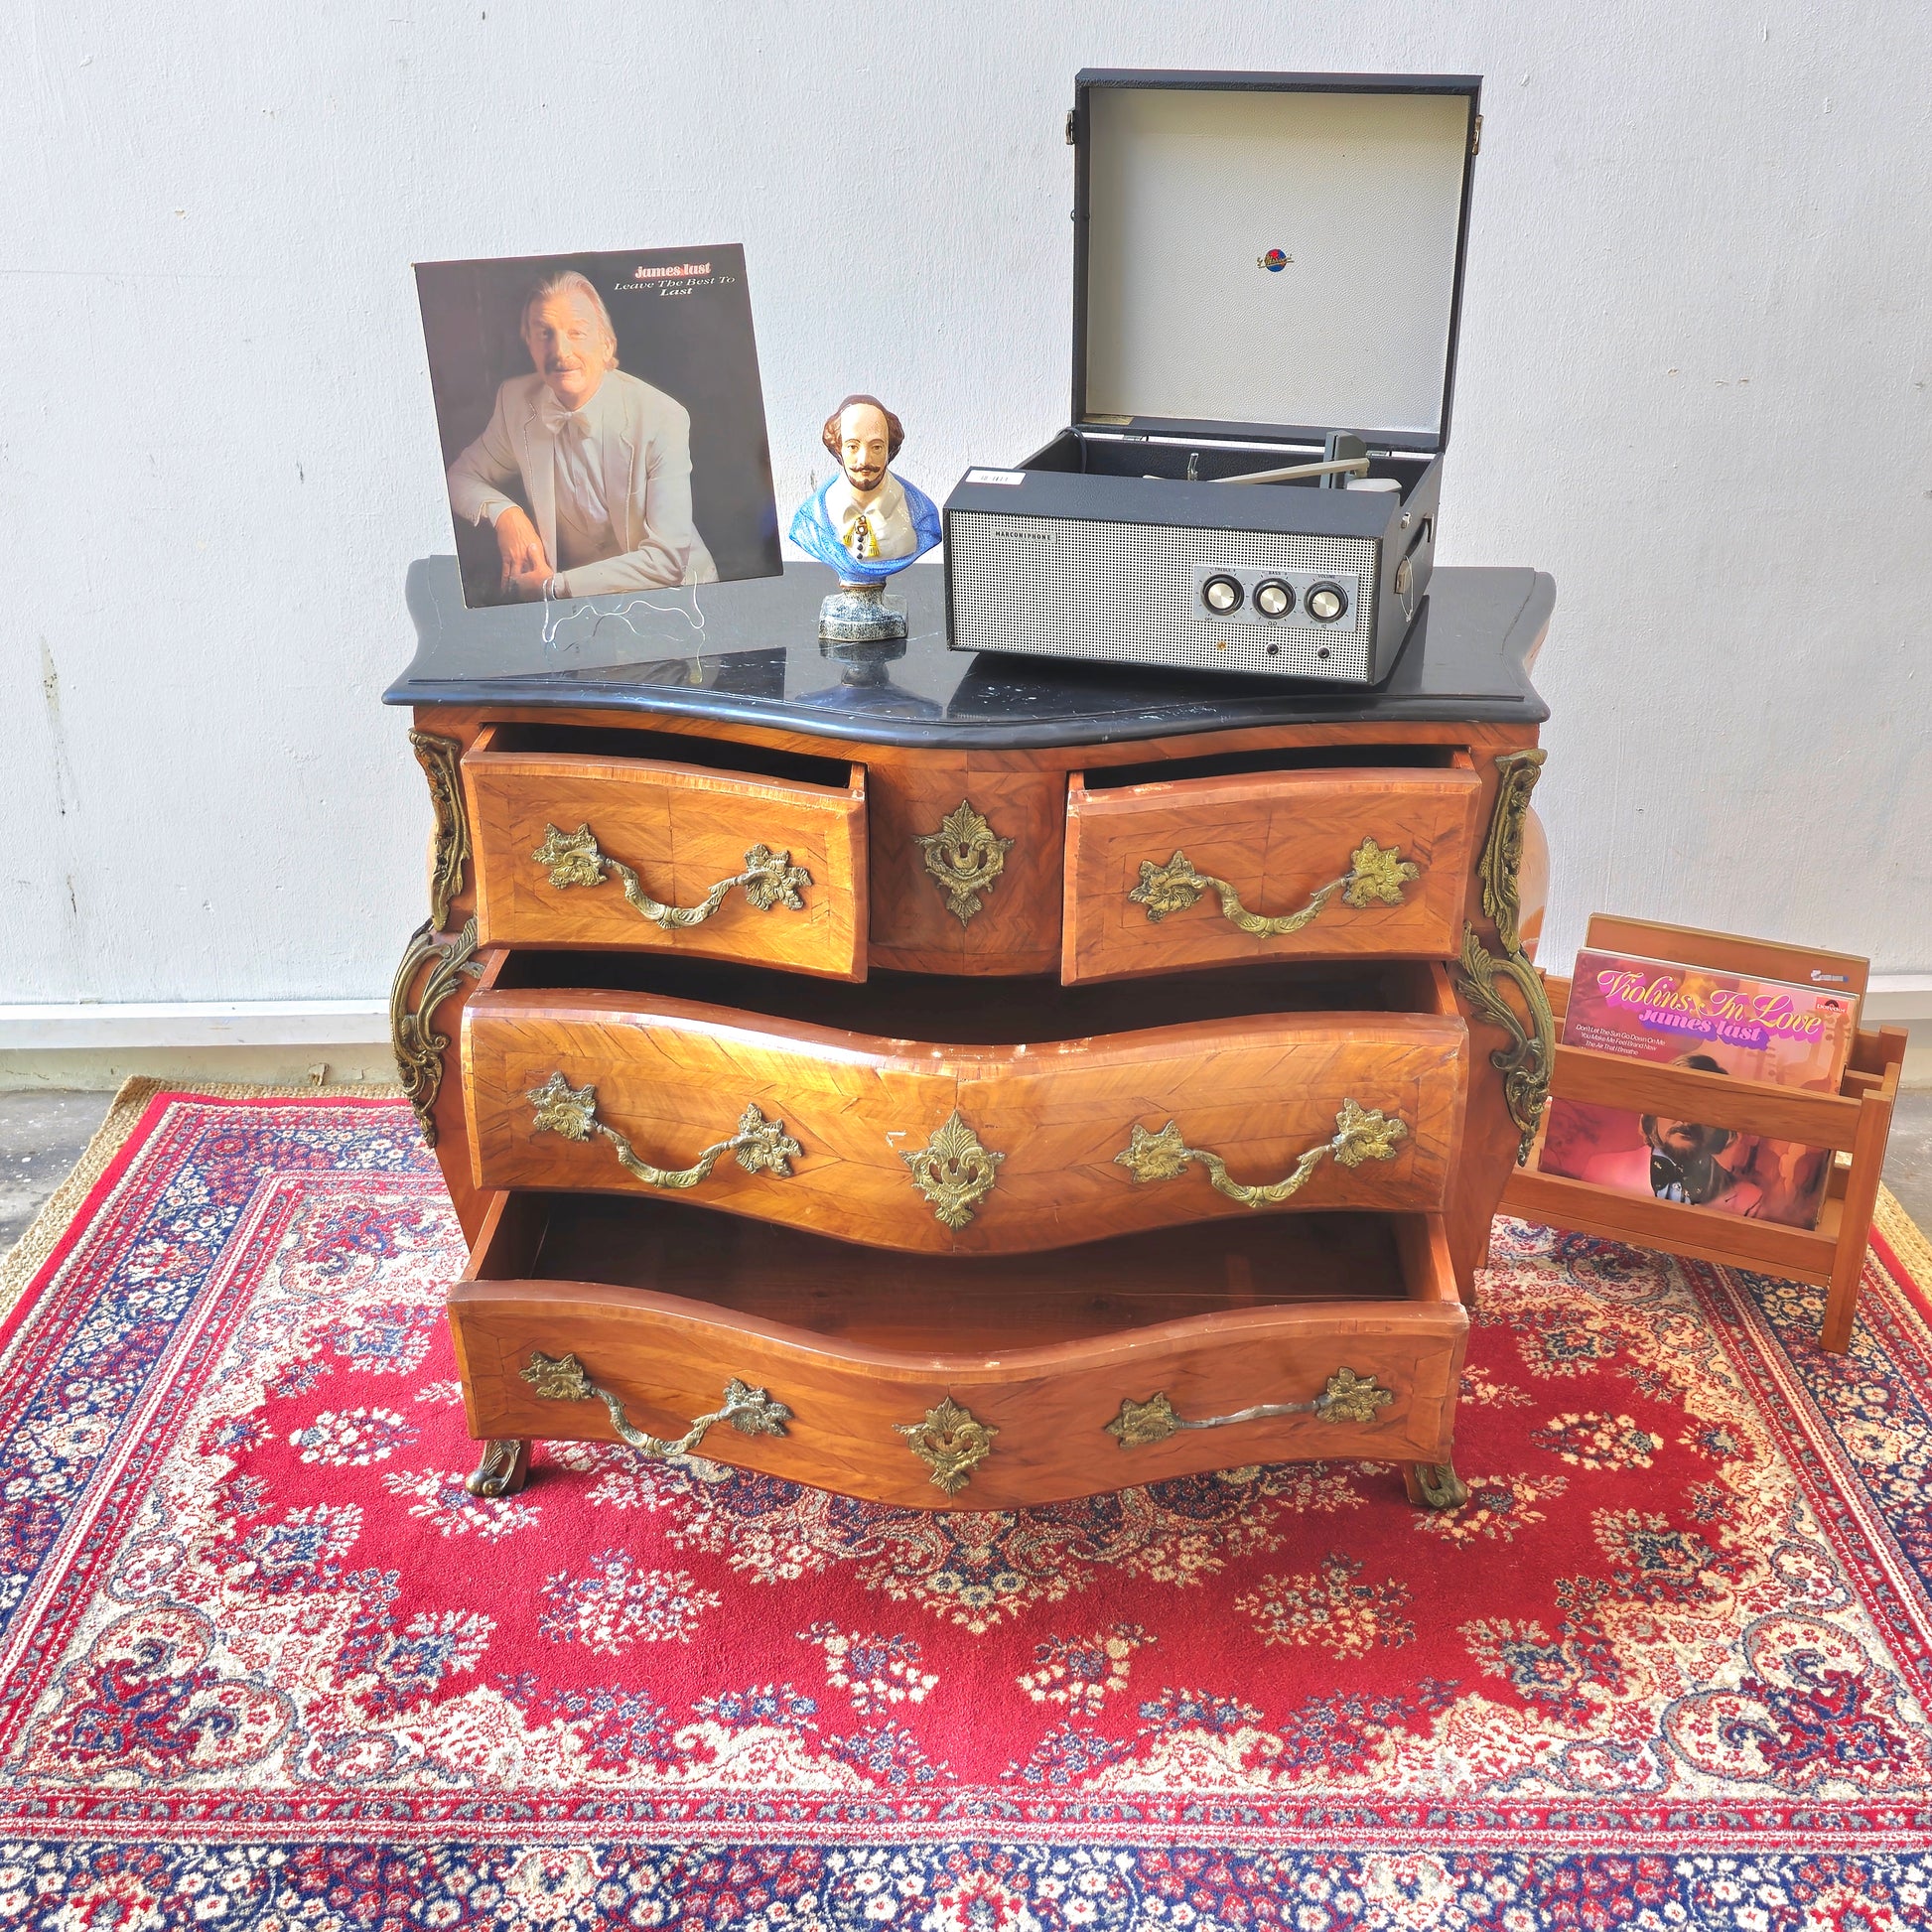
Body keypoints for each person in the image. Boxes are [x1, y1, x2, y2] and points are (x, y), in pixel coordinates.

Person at [447, 270, 716, 601]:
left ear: (606, 345)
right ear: (529, 344)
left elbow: (667, 561)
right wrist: (506, 515)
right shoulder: (515, 403)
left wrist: (553, 586)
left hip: (676, 597)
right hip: (584, 607)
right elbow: (459, 478)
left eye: (576, 332)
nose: (560, 351)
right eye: (544, 333)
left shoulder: (662, 416)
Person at [1575, 1053, 1766, 1215]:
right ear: (1653, 1115)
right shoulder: (1600, 1170)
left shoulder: (1750, 1201)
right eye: (1676, 1104)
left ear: (1720, 1129)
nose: (1687, 1121)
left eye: (1702, 1110)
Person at [787, 395, 940, 582]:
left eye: (876, 447)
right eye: (852, 446)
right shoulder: (810, 521)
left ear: (889, 450)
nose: (864, 460)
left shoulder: (923, 518)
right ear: (838, 449)